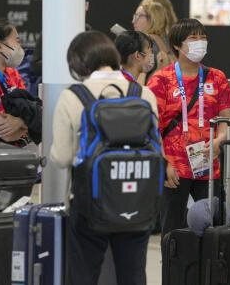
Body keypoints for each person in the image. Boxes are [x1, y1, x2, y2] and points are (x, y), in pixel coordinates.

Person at [50, 31, 159, 285]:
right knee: (132, 274)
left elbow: (62, 157)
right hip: (137, 201)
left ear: (78, 64)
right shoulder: (143, 94)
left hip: (90, 202)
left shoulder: (73, 96)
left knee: (82, 274)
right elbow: (157, 149)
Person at [148, 18, 230, 238]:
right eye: (193, 38)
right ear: (177, 45)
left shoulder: (216, 77)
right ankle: (173, 271)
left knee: (212, 228)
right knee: (172, 229)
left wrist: (220, 139)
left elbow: (225, 119)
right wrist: (164, 163)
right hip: (174, 166)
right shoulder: (161, 79)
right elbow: (152, 126)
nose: (200, 42)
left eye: (203, 37)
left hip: (208, 165)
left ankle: (208, 272)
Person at [133, 0, 175, 82]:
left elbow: (138, 85)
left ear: (153, 18)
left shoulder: (143, 43)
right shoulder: (169, 41)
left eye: (139, 16)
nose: (133, 21)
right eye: (134, 16)